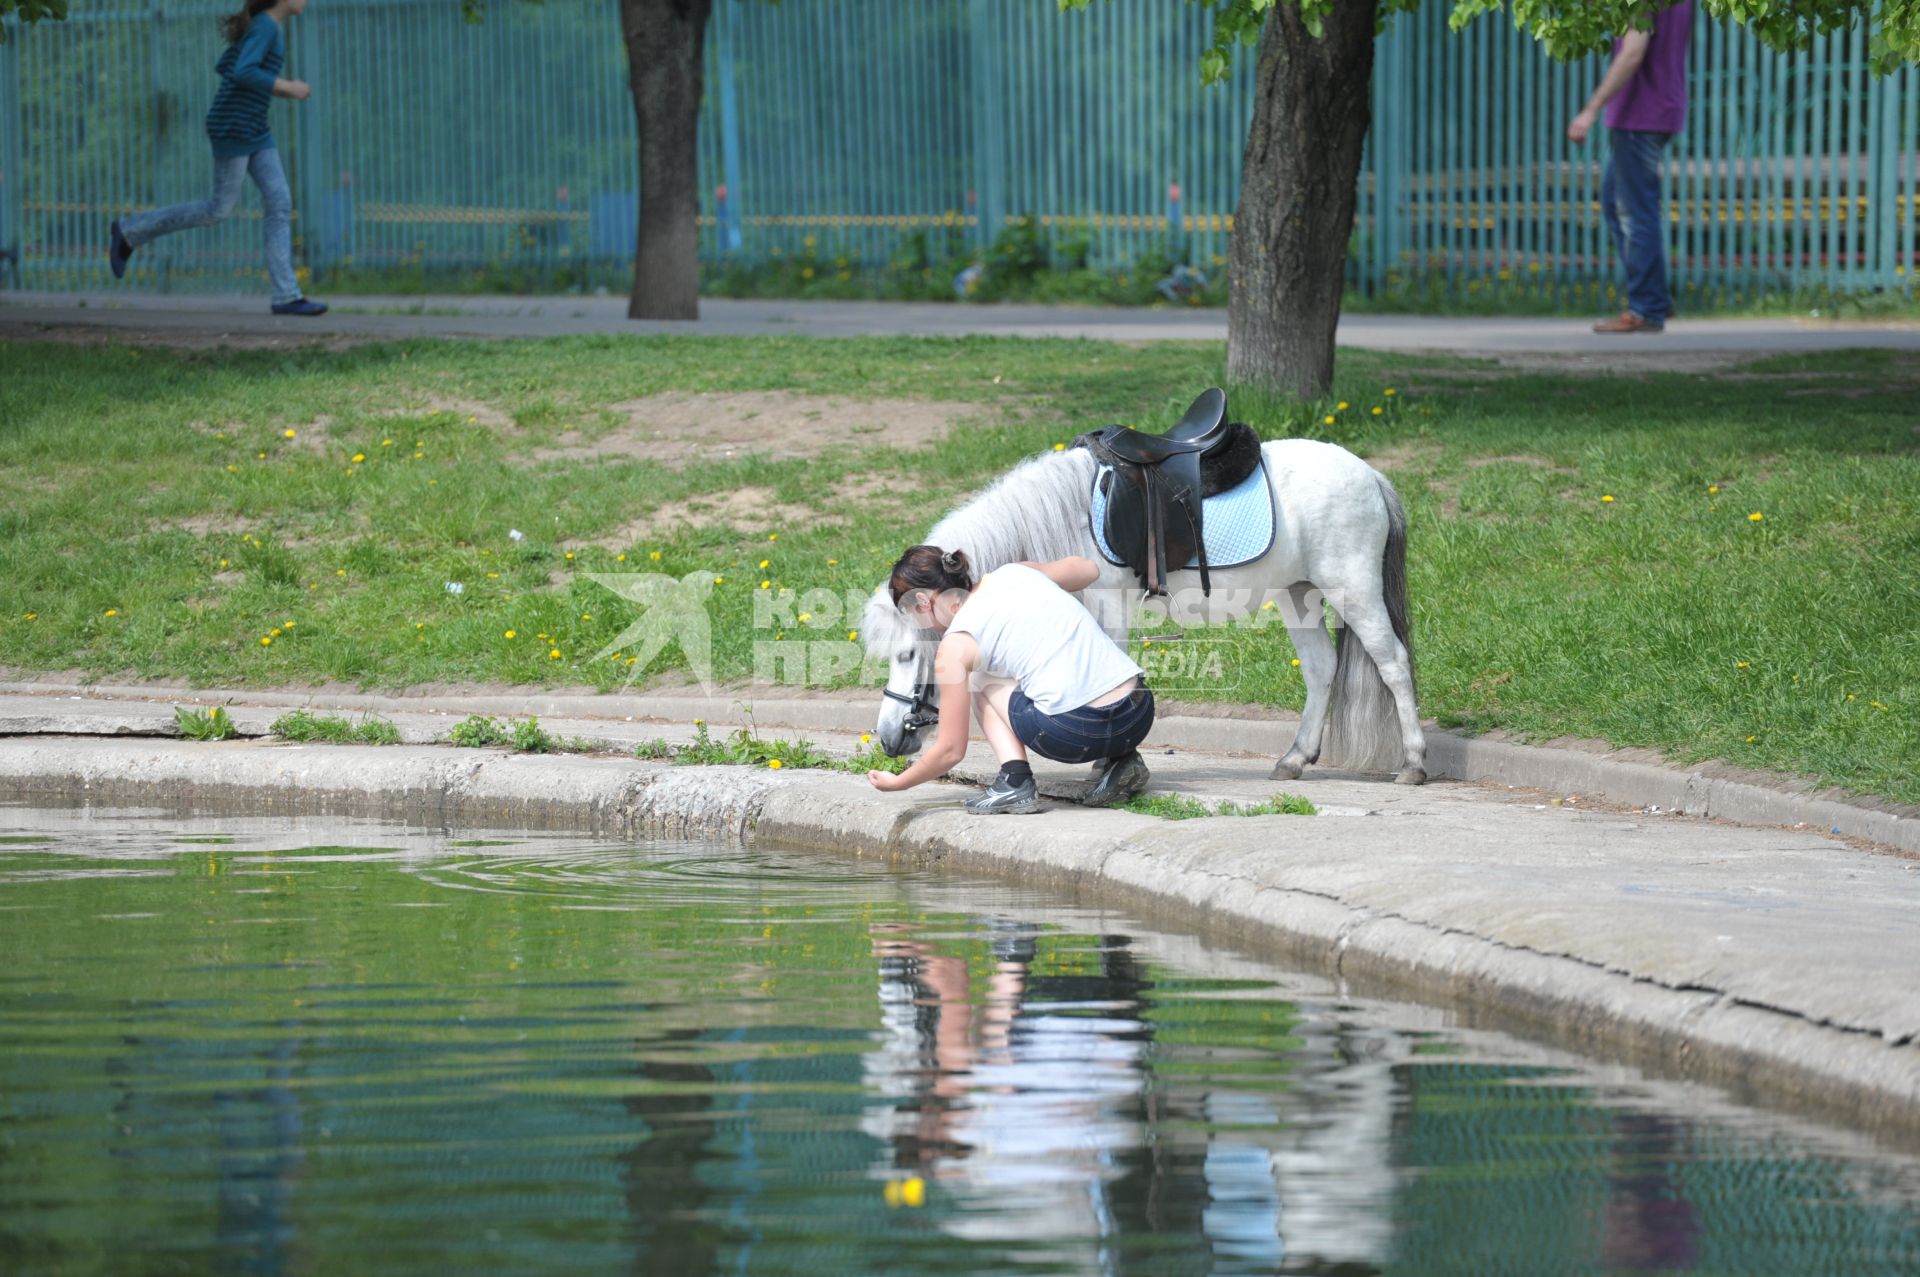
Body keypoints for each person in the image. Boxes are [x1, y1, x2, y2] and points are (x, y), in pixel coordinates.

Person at [868, 546, 1154, 815]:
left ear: (922, 601)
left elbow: (951, 750)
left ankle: (1015, 780)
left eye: (912, 616)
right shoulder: (1014, 572)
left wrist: (898, 783)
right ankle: (1121, 759)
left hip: (1075, 734)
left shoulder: (955, 646)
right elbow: (1089, 569)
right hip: (1139, 712)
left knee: (978, 675)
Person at [108, 0, 327, 316]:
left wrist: (281, 90)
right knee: (218, 210)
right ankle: (129, 232)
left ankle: (286, 296)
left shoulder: (268, 26)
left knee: (279, 203)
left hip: (255, 128)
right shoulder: (266, 26)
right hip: (234, 126)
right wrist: (288, 86)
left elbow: (235, 70)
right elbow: (243, 71)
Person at [1568, 2, 1693, 334]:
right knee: (1616, 202)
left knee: (1634, 213)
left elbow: (1633, 52)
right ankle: (1653, 298)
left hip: (1641, 114)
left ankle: (1646, 309)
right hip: (1657, 110)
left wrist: (1590, 109)